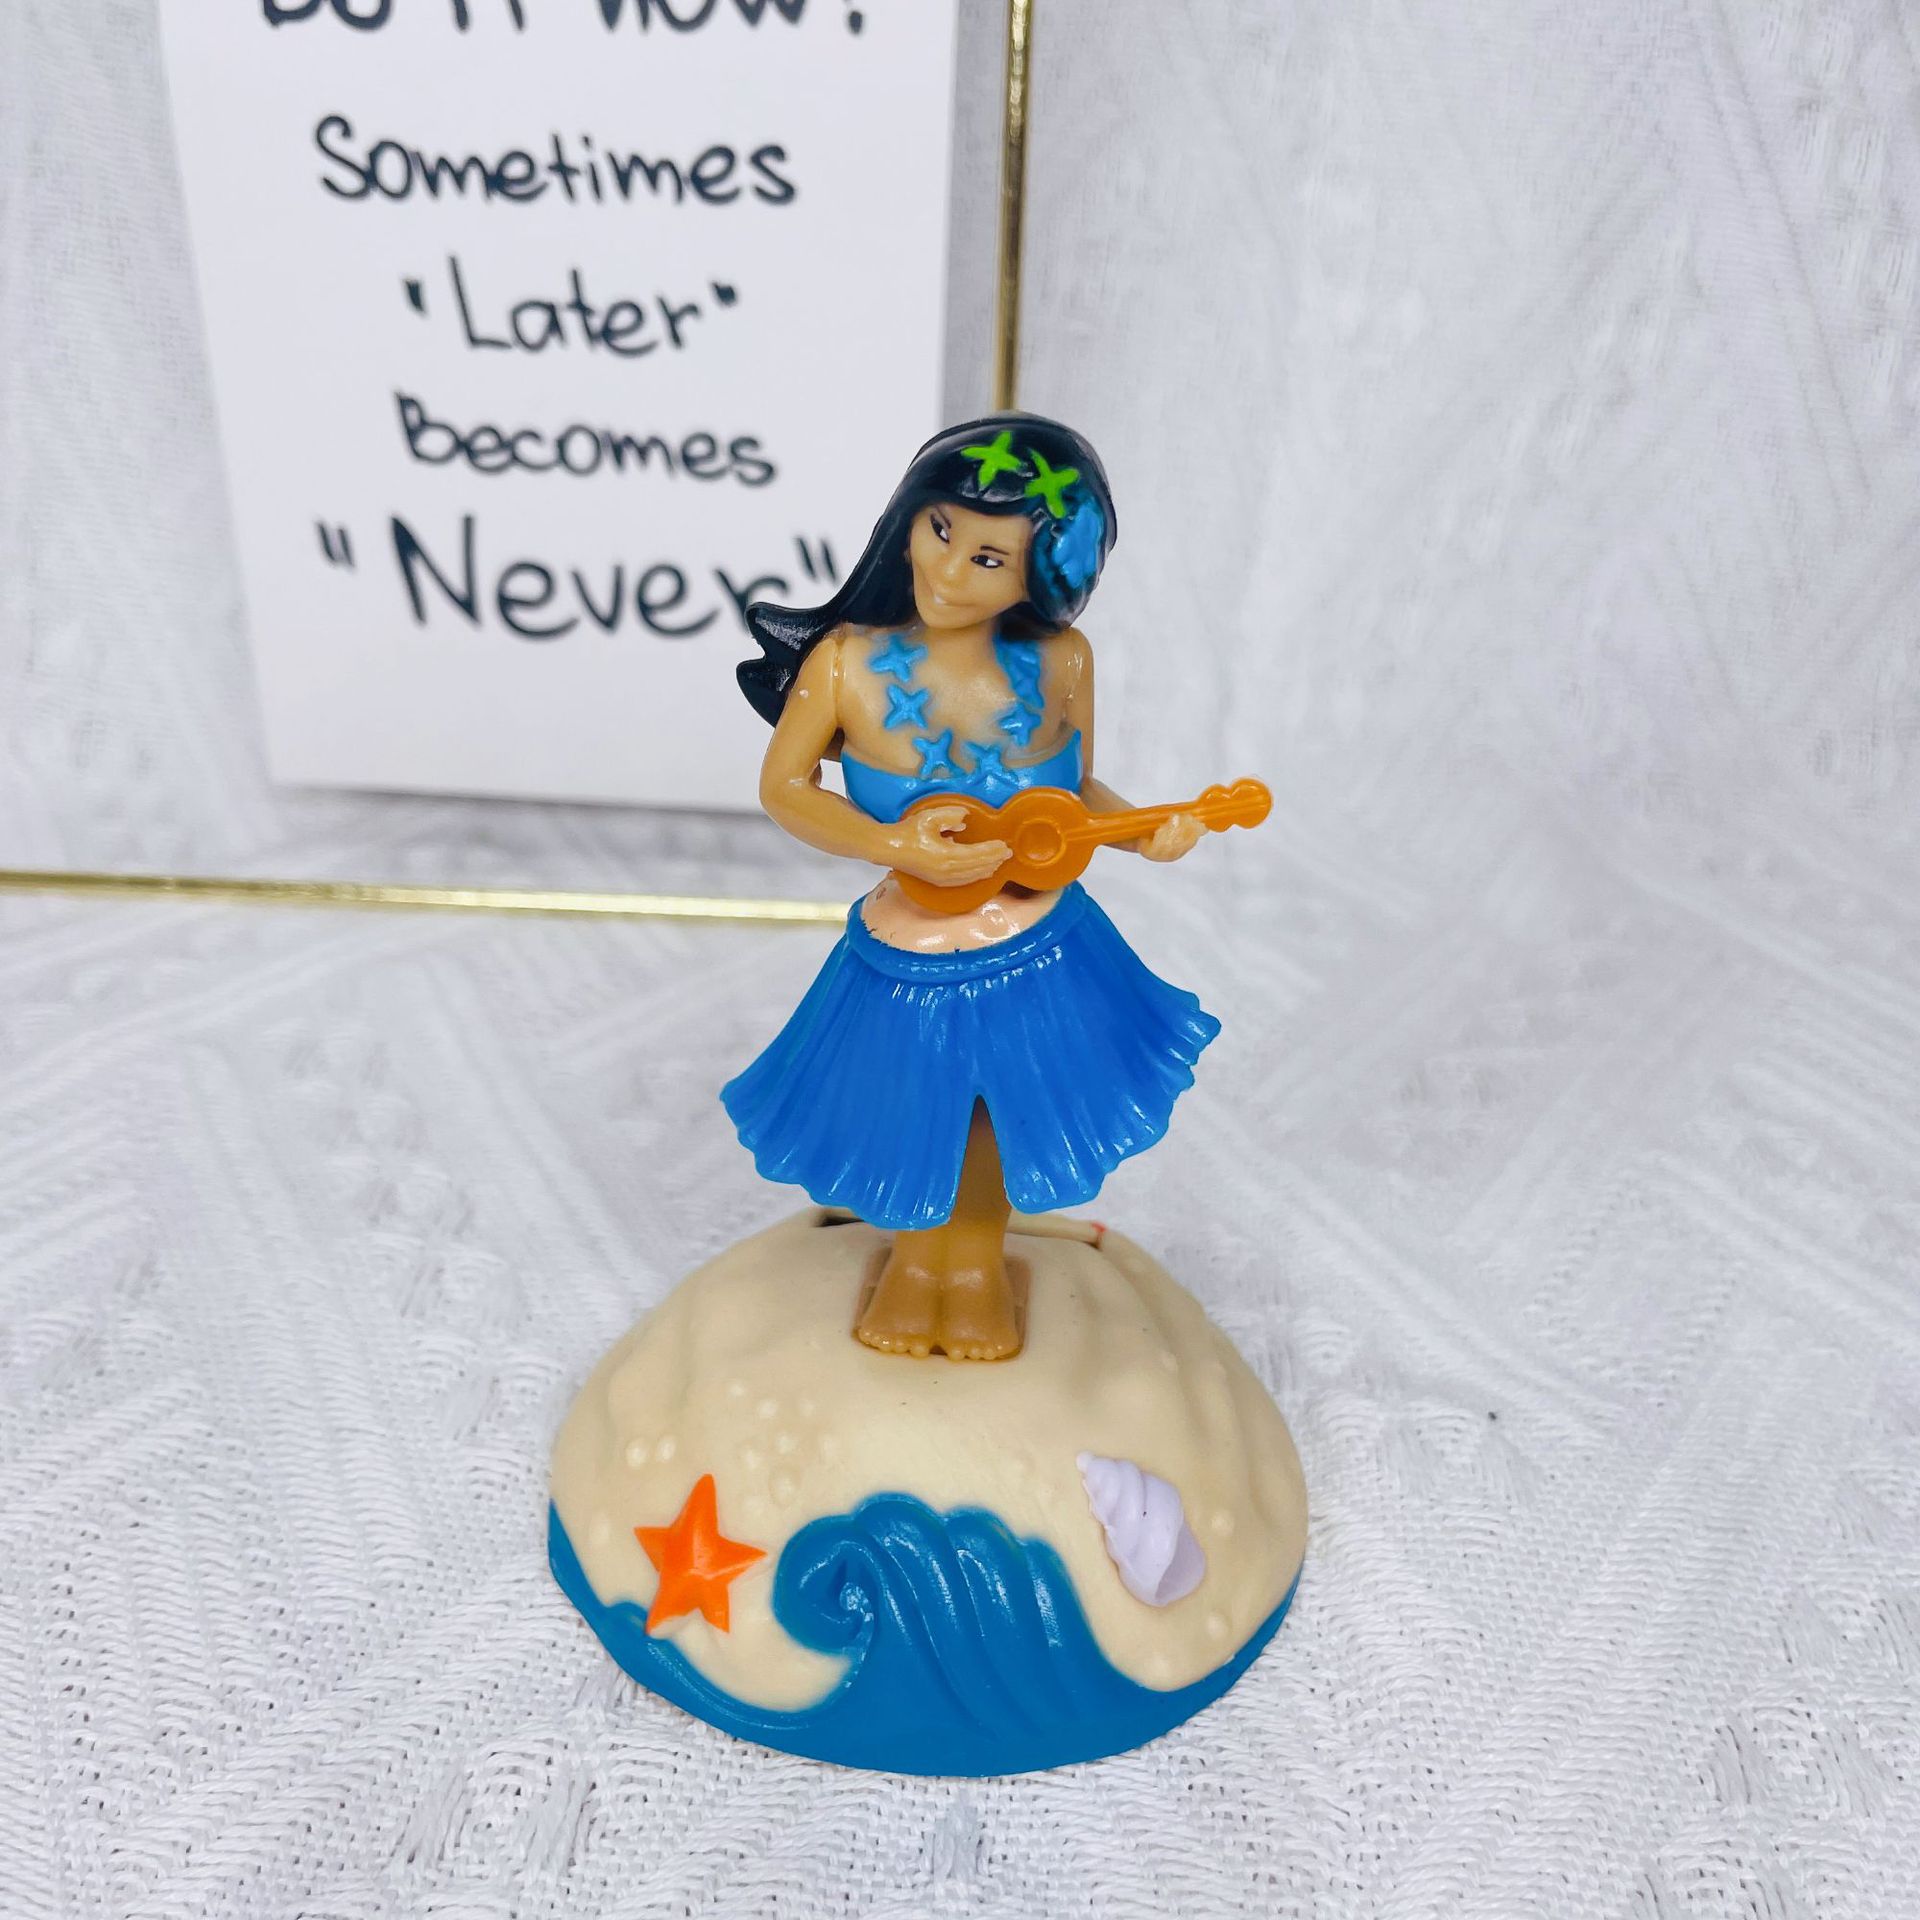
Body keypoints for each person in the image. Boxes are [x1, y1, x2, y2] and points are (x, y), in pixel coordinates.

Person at [724, 413, 1218, 1361]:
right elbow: (786, 788)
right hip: (910, 947)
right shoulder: (847, 664)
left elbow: (1073, 793)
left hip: (1039, 948)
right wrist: (891, 842)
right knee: (914, 1107)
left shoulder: (1061, 663)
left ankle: (976, 1268)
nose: (948, 573)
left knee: (997, 1118)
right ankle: (917, 1266)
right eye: (940, 531)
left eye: (990, 559)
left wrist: (1142, 831)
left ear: (1043, 578)